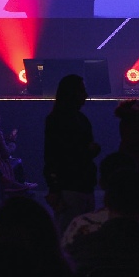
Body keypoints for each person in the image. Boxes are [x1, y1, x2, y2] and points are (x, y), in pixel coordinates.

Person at [42, 74, 100, 234]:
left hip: (74, 185)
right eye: (81, 91)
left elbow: (52, 156)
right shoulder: (72, 120)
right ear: (71, 93)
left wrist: (53, 187)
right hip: (73, 185)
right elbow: (53, 155)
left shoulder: (62, 119)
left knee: (70, 234)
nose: (86, 95)